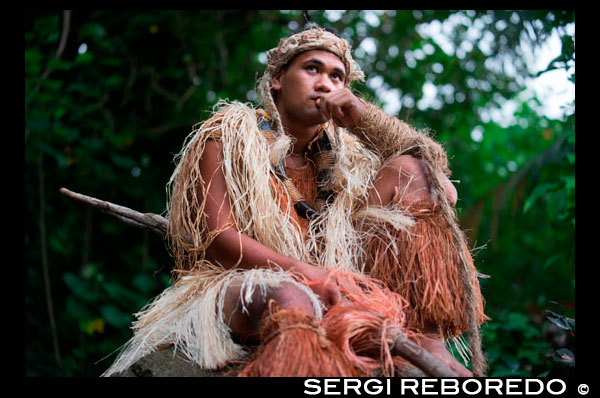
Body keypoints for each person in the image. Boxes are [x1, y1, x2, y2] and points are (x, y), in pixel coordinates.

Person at [102, 25, 487, 378]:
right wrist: (308, 274)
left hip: (340, 274)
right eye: (312, 69)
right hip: (240, 280)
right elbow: (218, 239)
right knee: (291, 298)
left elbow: (440, 183)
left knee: (412, 170)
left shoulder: (348, 155)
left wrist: (361, 118)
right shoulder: (229, 134)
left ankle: (427, 340)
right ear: (277, 80)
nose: (325, 83)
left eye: (336, 77)